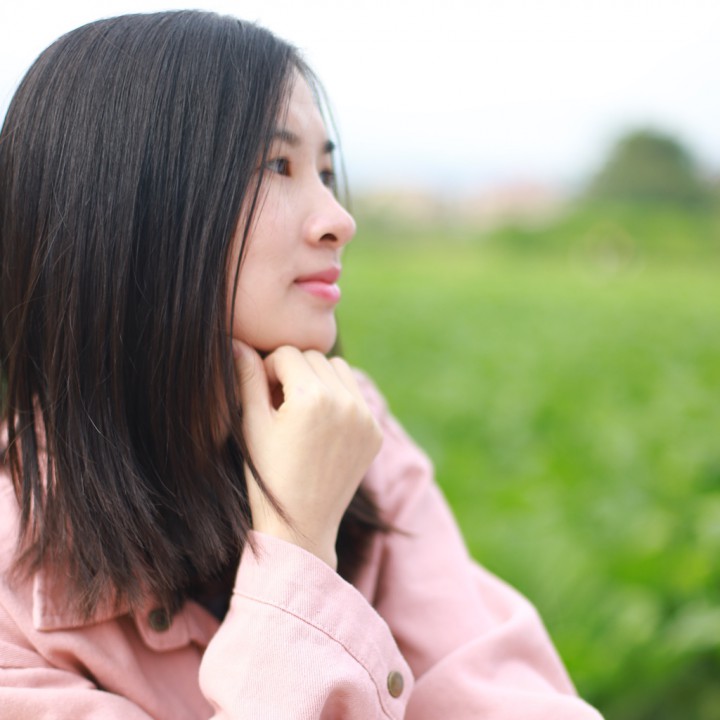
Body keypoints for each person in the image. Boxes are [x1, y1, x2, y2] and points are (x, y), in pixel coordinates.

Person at [0, 10, 602, 719]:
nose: (339, 220)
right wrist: (297, 547)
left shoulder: (345, 425)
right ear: (130, 206)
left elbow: (496, 691)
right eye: (277, 166)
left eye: (325, 170)